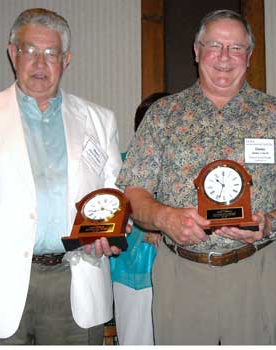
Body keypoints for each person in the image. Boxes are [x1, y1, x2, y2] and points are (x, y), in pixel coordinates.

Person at [116, 9, 276, 345]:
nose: (225, 57)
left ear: (249, 56)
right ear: (197, 51)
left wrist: (271, 222)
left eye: (236, 48)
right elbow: (134, 192)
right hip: (180, 273)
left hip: (257, 270)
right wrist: (164, 217)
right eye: (214, 45)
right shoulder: (162, 115)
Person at [0, 8, 122, 345]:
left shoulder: (100, 120)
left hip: (76, 285)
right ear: (12, 54)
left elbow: (112, 197)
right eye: (29, 51)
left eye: (51, 53)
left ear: (66, 60)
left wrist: (111, 233)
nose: (40, 63)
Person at [110, 92, 169, 345]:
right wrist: (148, 227)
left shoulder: (186, 170)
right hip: (133, 273)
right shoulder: (119, 165)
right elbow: (108, 218)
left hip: (180, 274)